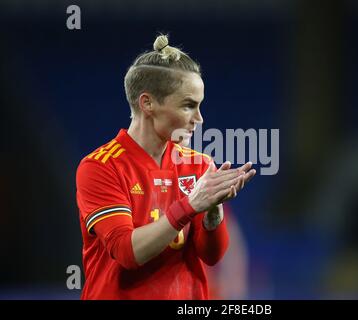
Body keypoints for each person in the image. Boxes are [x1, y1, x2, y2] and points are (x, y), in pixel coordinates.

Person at [75, 34, 256, 299]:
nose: (199, 118)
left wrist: (213, 210)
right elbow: (127, 252)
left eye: (199, 105)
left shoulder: (198, 165)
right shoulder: (100, 167)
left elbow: (211, 256)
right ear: (147, 103)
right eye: (188, 105)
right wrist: (190, 205)